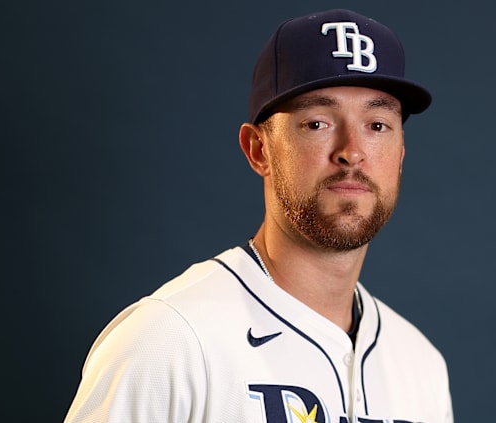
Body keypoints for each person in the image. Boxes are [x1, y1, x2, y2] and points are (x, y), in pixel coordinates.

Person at [65, 8, 452, 423]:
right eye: (318, 122)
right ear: (259, 150)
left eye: (377, 125)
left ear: (400, 155)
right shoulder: (168, 340)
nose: (352, 151)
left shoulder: (421, 363)